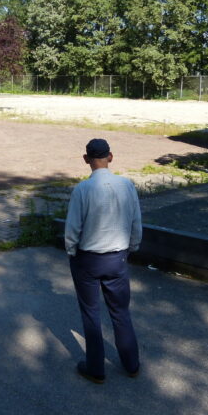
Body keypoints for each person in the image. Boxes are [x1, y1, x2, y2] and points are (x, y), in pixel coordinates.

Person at [65, 138, 142, 384]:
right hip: (117, 258)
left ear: (86, 159)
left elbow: (72, 229)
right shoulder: (127, 185)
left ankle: (96, 369)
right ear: (111, 157)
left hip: (87, 259)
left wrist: (71, 251)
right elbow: (135, 222)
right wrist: (131, 247)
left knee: (91, 313)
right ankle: (132, 364)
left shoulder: (82, 190)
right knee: (120, 312)